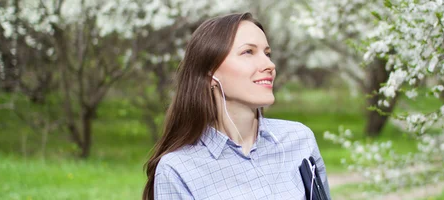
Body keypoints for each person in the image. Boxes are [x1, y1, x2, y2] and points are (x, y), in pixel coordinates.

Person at [142, 12, 331, 200]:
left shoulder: (299, 139)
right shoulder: (177, 169)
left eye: (267, 53)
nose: (269, 64)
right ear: (210, 75)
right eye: (248, 52)